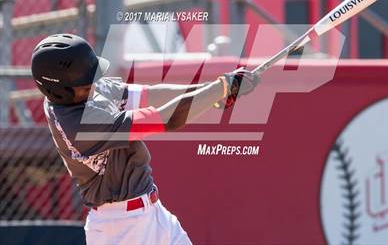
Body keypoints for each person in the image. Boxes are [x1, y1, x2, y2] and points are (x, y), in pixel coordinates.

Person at [31, 33, 260, 245]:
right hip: (121, 229)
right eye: (85, 82)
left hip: (153, 213)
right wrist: (220, 89)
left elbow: (150, 95)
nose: (94, 84)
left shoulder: (83, 91)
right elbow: (167, 119)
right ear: (58, 90)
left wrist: (211, 91)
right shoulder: (79, 125)